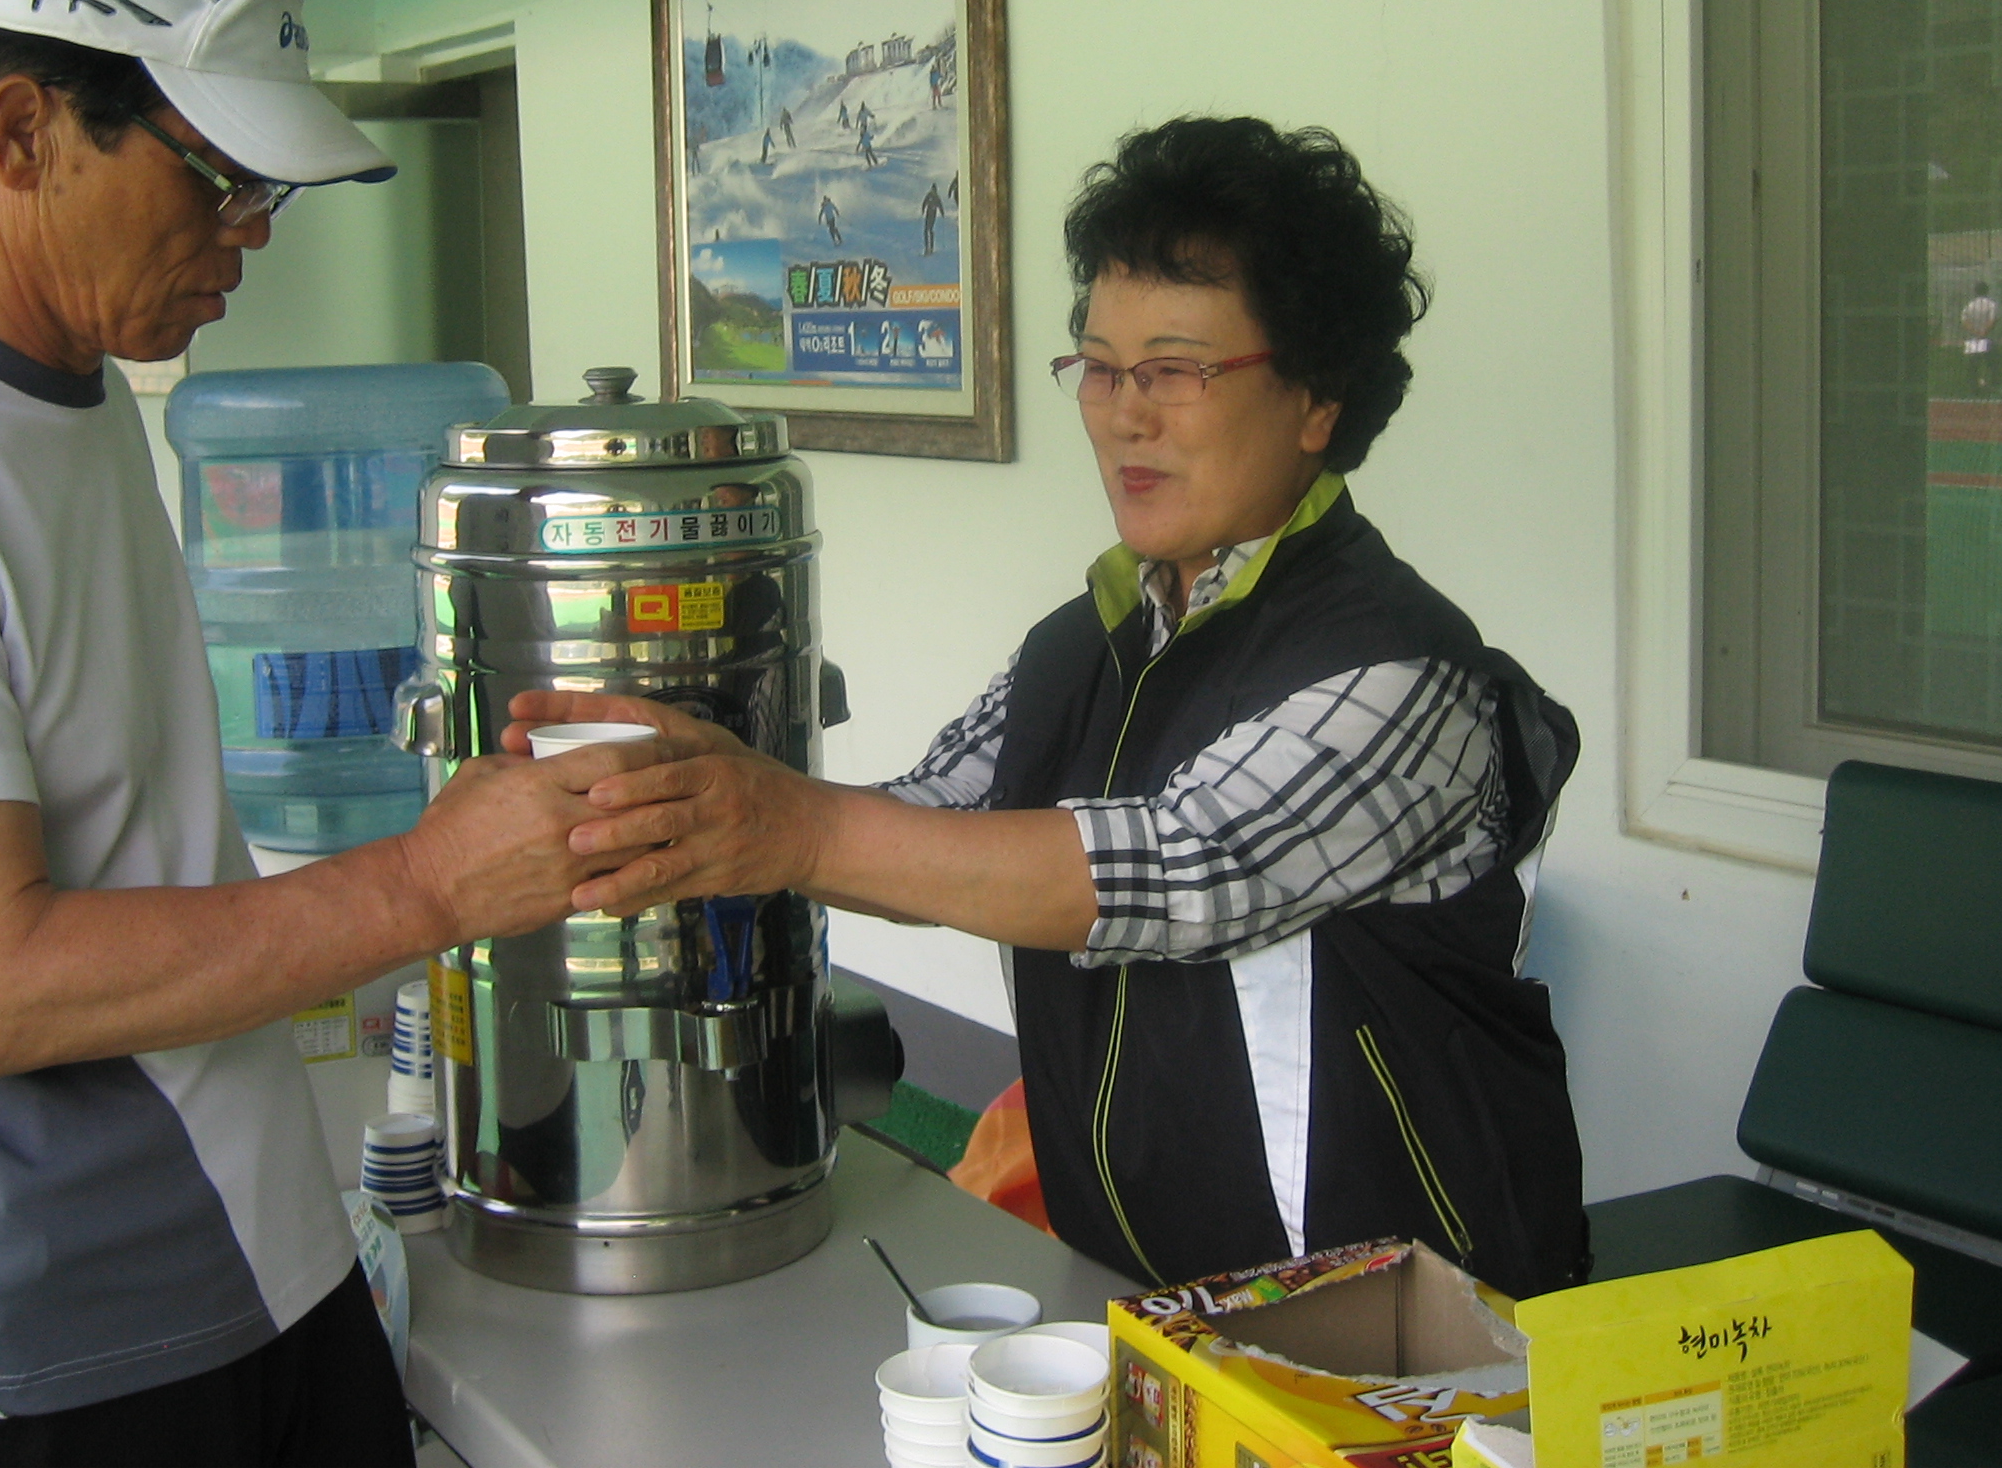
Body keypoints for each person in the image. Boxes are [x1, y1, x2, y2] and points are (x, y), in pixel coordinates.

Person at [0, 0, 651, 1463]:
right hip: (12, 1367)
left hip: (259, 1275)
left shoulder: (71, 402)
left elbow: (136, 843)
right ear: (23, 134)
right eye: (218, 181)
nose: (246, 239)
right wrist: (429, 882)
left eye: (269, 195)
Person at [510, 117, 1590, 1298]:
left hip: (1395, 1327)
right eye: (1102, 368)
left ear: (1316, 398)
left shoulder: (1403, 675)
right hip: (1143, 1300)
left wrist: (781, 825)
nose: (1126, 414)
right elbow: (927, 820)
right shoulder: (1082, 646)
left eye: (1175, 370)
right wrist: (691, 792)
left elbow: (1173, 870)